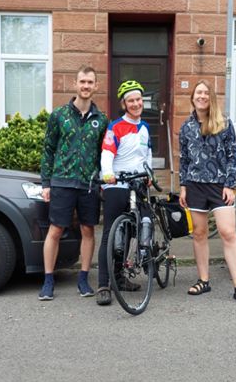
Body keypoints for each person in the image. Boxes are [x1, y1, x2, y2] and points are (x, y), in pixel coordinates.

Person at [179, 79, 236, 303]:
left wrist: (230, 185)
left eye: (205, 93)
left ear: (210, 97)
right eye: (198, 92)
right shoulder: (186, 126)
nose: (201, 96)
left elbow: (234, 155)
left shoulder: (223, 123)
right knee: (199, 234)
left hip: (219, 187)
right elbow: (184, 158)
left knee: (228, 232)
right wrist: (183, 186)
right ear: (192, 97)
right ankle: (203, 280)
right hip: (194, 186)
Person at [38, 66, 108, 300]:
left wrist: (102, 180)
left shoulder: (102, 120)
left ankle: (83, 278)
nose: (86, 86)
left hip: (88, 185)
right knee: (55, 230)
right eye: (82, 82)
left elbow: (103, 154)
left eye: (90, 82)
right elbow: (48, 150)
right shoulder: (59, 115)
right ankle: (48, 281)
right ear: (75, 84)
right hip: (62, 182)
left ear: (95, 86)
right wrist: (46, 182)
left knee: (88, 230)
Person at [96, 80, 152, 306]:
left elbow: (147, 154)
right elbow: (107, 153)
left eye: (139, 99)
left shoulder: (145, 127)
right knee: (111, 233)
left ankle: (120, 278)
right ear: (124, 103)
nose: (136, 103)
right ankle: (103, 284)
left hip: (137, 185)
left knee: (134, 230)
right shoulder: (115, 127)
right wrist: (108, 173)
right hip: (117, 184)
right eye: (131, 100)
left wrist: (149, 174)